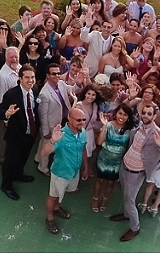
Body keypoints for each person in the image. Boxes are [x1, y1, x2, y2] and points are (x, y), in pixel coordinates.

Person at [109, 102, 160, 242]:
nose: (146, 116)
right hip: (125, 167)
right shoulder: (139, 128)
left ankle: (135, 228)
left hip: (136, 173)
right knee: (126, 195)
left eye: (149, 114)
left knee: (130, 201)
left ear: (154, 116)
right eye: (144, 113)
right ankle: (126, 214)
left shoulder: (157, 134)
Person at [0, 65, 40, 201]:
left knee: (24, 157)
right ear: (20, 79)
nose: (30, 80)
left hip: (30, 133)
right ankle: (6, 185)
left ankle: (18, 174)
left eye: (32, 77)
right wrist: (7, 113)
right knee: (10, 161)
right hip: (16, 134)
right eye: (27, 78)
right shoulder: (12, 94)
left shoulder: (35, 90)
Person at [42, 107, 89, 235]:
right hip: (60, 174)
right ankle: (50, 217)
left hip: (74, 172)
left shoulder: (83, 132)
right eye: (79, 120)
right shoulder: (60, 135)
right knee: (53, 196)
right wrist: (52, 141)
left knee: (60, 194)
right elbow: (44, 152)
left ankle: (57, 208)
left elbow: (83, 149)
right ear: (69, 118)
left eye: (84, 119)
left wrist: (86, 167)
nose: (82, 122)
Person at [93, 104, 134, 212]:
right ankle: (96, 199)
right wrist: (104, 127)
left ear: (128, 117)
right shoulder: (109, 125)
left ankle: (105, 199)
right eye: (120, 113)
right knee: (100, 180)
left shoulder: (130, 130)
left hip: (117, 161)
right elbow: (99, 142)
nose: (122, 116)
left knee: (110, 183)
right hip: (104, 158)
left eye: (125, 114)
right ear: (116, 114)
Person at [35, 63, 73, 176]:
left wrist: (80, 82)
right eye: (54, 74)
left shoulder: (61, 84)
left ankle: (37, 158)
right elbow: (42, 115)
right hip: (50, 124)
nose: (57, 76)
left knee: (43, 143)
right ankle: (43, 167)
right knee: (47, 144)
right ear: (48, 75)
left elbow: (72, 89)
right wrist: (46, 131)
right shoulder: (44, 94)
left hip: (60, 120)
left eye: (58, 73)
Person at [0, 47, 22, 164]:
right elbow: (1, 98)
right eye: (11, 57)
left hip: (17, 110)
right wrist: (4, 117)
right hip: (8, 112)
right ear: (5, 58)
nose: (14, 59)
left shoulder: (19, 67)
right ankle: (0, 156)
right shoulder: (3, 76)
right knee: (2, 135)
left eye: (16, 57)